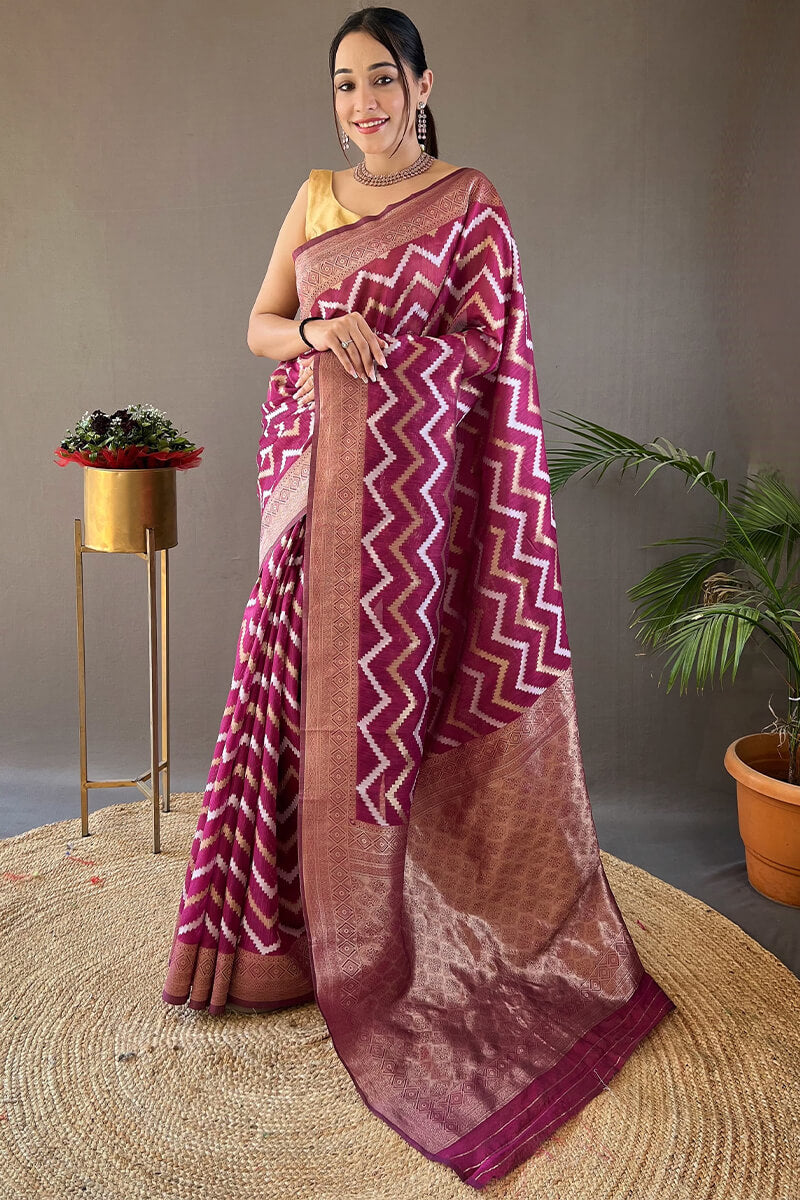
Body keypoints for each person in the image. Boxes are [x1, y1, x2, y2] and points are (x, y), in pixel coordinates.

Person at [162, 6, 676, 1189]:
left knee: (378, 727)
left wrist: (387, 361)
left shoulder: (468, 203)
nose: (364, 105)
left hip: (411, 519)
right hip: (312, 501)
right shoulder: (315, 197)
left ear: (423, 85)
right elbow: (260, 326)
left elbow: (492, 352)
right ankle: (275, 947)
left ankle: (382, 932)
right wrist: (319, 330)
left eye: (382, 80)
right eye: (345, 85)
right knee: (289, 709)